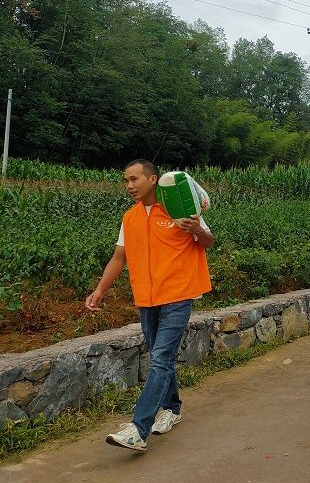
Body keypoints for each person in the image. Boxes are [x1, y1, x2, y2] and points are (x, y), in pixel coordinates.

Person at [84, 159, 213, 451]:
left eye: (134, 179)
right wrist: (100, 290)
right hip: (146, 297)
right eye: (126, 181)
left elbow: (207, 242)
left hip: (178, 295)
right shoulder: (130, 217)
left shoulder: (179, 208)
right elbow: (119, 257)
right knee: (160, 357)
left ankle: (139, 428)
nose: (129, 185)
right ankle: (172, 408)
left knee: (160, 359)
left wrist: (198, 230)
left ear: (153, 179)